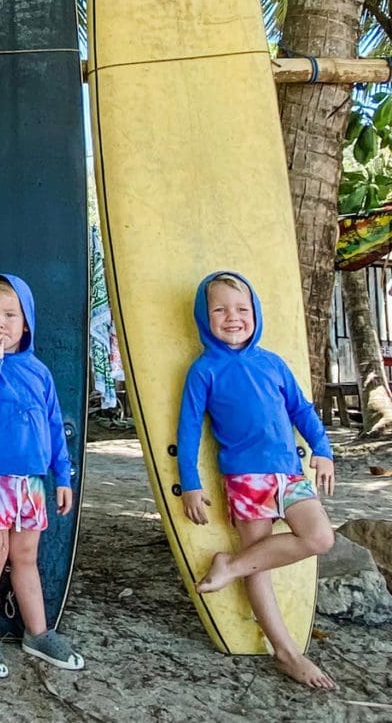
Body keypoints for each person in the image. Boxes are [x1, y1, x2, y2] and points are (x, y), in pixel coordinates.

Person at [177, 271, 336, 690]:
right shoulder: (203, 370)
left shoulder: (273, 363)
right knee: (258, 562)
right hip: (245, 478)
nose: (233, 317)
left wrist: (324, 449)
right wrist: (190, 482)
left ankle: (230, 566)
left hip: (289, 472)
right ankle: (286, 652)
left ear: (255, 313)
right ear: (203, 316)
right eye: (220, 309)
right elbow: (189, 430)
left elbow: (302, 410)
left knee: (319, 537)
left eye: (242, 309)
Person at [0, 273, 84, 678]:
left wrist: (62, 478)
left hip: (31, 483)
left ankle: (38, 633)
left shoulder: (40, 372)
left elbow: (53, 430)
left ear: (26, 321)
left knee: (26, 556)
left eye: (10, 314)